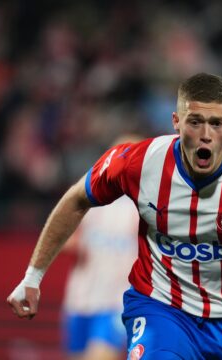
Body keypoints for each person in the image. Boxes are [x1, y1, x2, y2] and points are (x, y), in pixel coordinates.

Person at [7, 73, 222, 359]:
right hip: (160, 308)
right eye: (195, 121)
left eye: (216, 123)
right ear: (176, 121)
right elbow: (76, 199)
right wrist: (33, 277)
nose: (205, 134)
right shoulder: (140, 162)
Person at [61, 135, 142, 360]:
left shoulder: (145, 206)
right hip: (80, 299)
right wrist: (75, 245)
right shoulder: (90, 197)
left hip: (116, 302)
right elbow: (64, 238)